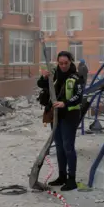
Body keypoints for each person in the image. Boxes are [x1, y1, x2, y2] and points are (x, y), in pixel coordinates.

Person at [38, 51, 84, 191]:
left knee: (67, 146)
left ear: (71, 62)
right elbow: (41, 84)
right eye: (61, 63)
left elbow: (79, 95)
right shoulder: (54, 74)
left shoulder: (76, 77)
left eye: (66, 63)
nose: (63, 66)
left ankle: (72, 179)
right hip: (55, 115)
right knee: (59, 147)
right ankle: (62, 176)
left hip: (70, 115)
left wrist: (65, 103)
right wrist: (44, 77)